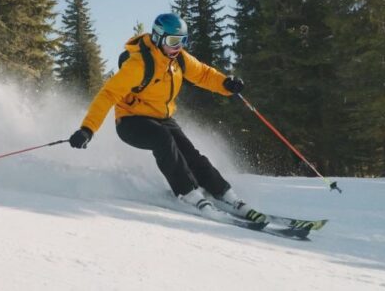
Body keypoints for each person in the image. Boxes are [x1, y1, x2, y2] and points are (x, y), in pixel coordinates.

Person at [68, 13, 266, 223]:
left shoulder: (178, 59)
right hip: (131, 121)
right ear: (158, 38)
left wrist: (226, 84)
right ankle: (188, 193)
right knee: (163, 139)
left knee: (190, 153)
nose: (178, 46)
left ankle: (225, 193)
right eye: (173, 41)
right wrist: (87, 129)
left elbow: (203, 75)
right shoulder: (138, 65)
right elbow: (108, 94)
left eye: (183, 41)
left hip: (162, 117)